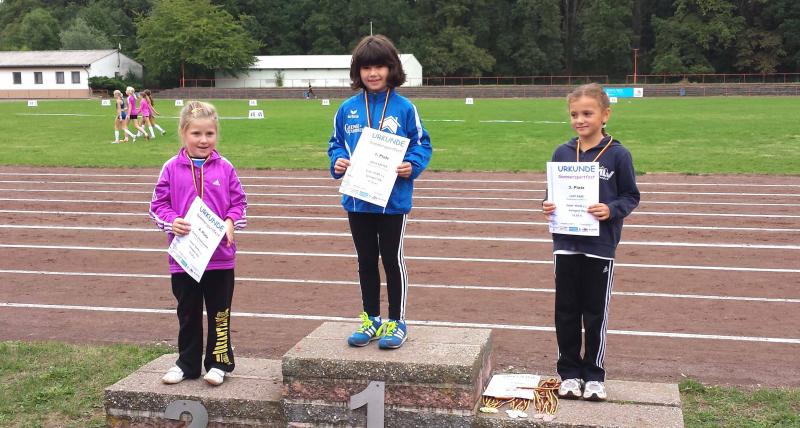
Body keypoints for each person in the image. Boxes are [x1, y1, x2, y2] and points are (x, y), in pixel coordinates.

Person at [327, 35, 432, 350]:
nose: (373, 73)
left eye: (379, 67)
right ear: (357, 71)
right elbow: (335, 144)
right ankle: (371, 318)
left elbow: (422, 143)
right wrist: (337, 162)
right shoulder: (347, 109)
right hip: (358, 199)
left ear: (392, 68)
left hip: (392, 201)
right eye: (366, 68)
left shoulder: (404, 108)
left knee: (391, 258)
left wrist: (412, 164)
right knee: (365, 260)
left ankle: (397, 321)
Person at [541, 83, 640, 401]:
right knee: (566, 310)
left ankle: (594, 375)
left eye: (587, 113)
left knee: (595, 312)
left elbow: (631, 196)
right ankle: (569, 373)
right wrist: (548, 205)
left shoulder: (618, 155)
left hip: (600, 247)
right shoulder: (562, 152)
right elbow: (551, 195)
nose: (580, 120)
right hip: (565, 243)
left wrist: (611, 209)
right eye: (574, 114)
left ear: (605, 115)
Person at [149, 101, 248, 386]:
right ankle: (187, 363)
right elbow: (157, 206)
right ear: (183, 133)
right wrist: (172, 222)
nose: (203, 140)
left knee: (220, 313)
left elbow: (240, 203)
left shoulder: (225, 167)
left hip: (220, 258)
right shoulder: (171, 168)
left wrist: (230, 221)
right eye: (196, 134)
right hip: (184, 258)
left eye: (209, 133)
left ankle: (219, 363)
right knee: (188, 312)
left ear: (216, 134)